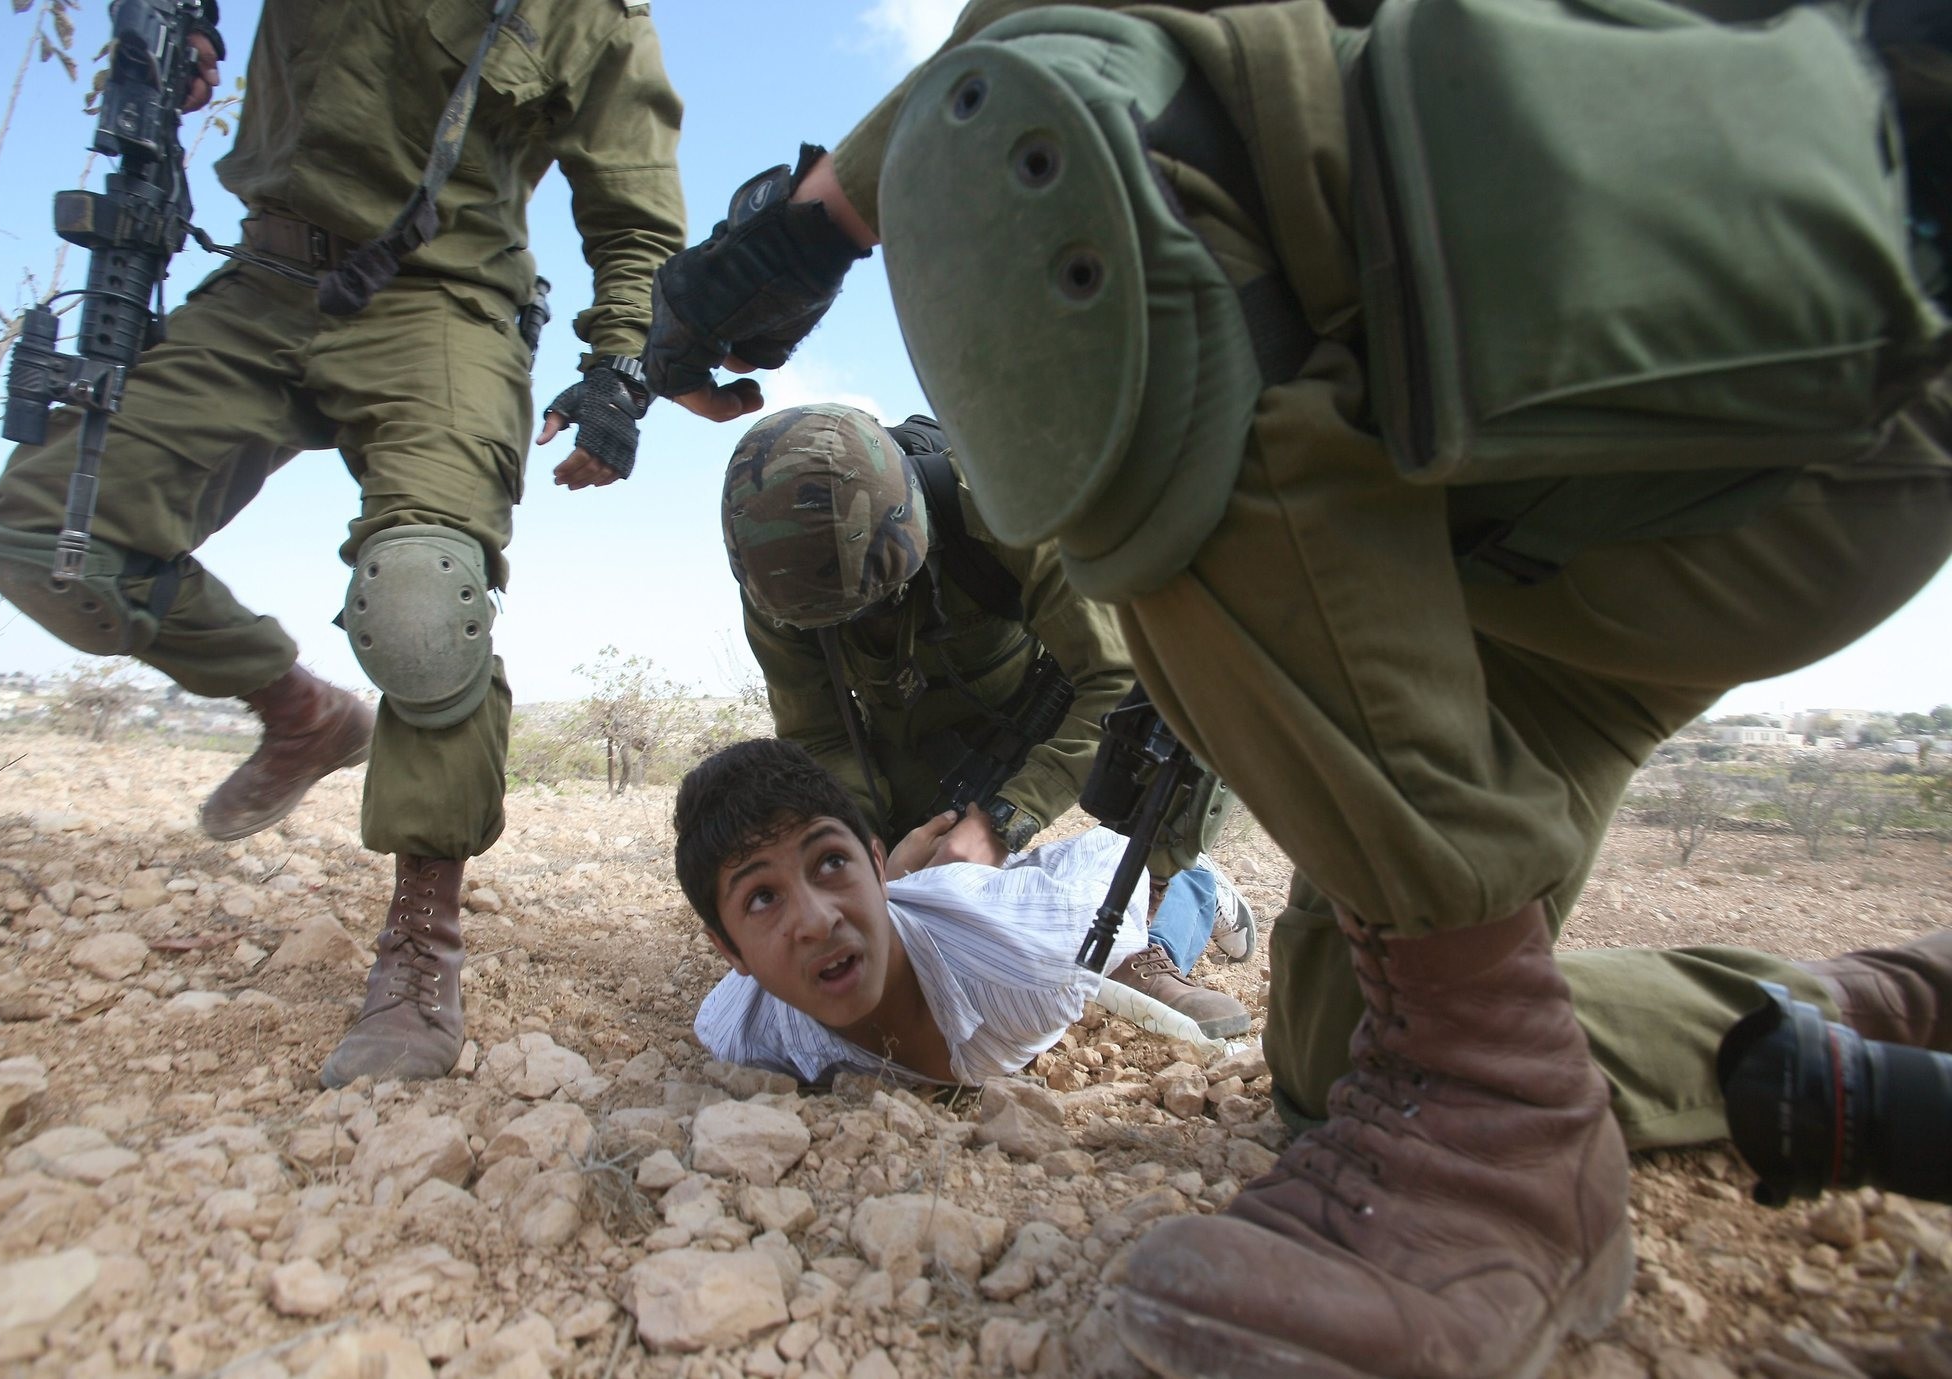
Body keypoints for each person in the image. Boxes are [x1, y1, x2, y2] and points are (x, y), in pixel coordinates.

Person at [640, 3, 1952, 1377]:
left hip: (1767, 357)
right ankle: (1864, 1001)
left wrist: (828, 212)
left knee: (1053, 194)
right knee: (1333, 1048)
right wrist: (807, 221)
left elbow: (1044, 84)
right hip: (1534, 577)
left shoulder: (986, 523)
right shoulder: (784, 612)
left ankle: (1503, 1132)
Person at [0, 0, 753, 1090]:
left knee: (425, 601)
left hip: (446, 303)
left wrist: (621, 365)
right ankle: (297, 709)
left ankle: (419, 949)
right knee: (43, 538)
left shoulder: (589, 16)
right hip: (265, 280)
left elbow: (631, 211)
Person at [723, 401, 1256, 1038]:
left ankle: (1167, 907)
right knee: (919, 901)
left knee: (1179, 702)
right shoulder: (778, 577)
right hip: (927, 738)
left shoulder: (1002, 506)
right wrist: (864, 857)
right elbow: (820, 736)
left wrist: (1000, 822)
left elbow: (1116, 679)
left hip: (1053, 698)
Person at [678, 736, 1157, 1084]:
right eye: (763, 898)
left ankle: (1210, 893)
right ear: (730, 952)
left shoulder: (1036, 960)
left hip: (972, 897)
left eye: (830, 861)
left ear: (876, 862)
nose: (817, 921)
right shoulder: (747, 1038)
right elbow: (716, 1023)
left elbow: (1118, 858)